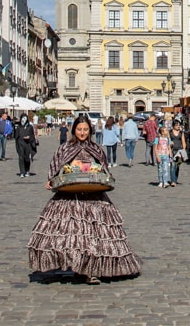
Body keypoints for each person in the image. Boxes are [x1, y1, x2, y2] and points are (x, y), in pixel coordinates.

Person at [27, 115, 141, 284]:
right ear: (74, 130)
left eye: (85, 130)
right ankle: (77, 265)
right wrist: (51, 179)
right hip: (69, 198)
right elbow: (56, 166)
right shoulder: (65, 148)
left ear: (90, 131)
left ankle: (90, 270)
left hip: (93, 197)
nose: (82, 133)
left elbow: (104, 169)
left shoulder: (96, 148)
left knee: (94, 236)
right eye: (79, 129)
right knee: (71, 235)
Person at [168, 121, 186, 187]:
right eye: (177, 125)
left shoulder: (181, 133)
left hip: (179, 151)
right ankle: (172, 181)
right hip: (172, 150)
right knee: (172, 165)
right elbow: (168, 140)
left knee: (177, 166)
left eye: (179, 125)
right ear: (173, 126)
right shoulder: (170, 132)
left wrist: (184, 150)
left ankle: (175, 179)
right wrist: (169, 145)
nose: (178, 126)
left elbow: (183, 141)